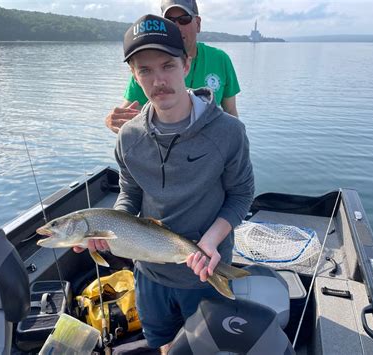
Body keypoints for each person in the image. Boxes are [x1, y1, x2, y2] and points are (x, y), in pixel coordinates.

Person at [81, 14, 254, 353]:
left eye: (167, 65)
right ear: (134, 75)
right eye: (145, 70)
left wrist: (211, 242)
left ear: (187, 64)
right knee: (162, 344)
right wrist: (108, 230)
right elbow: (129, 193)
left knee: (205, 347)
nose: (158, 80)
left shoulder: (229, 133)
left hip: (205, 270)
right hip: (149, 274)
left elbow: (241, 194)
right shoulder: (129, 137)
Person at [105, 0, 241, 133]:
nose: (177, 26)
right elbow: (127, 113)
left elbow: (230, 111)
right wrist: (111, 121)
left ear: (198, 24)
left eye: (184, 19)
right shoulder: (149, 68)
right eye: (170, 20)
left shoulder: (220, 59)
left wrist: (236, 141)